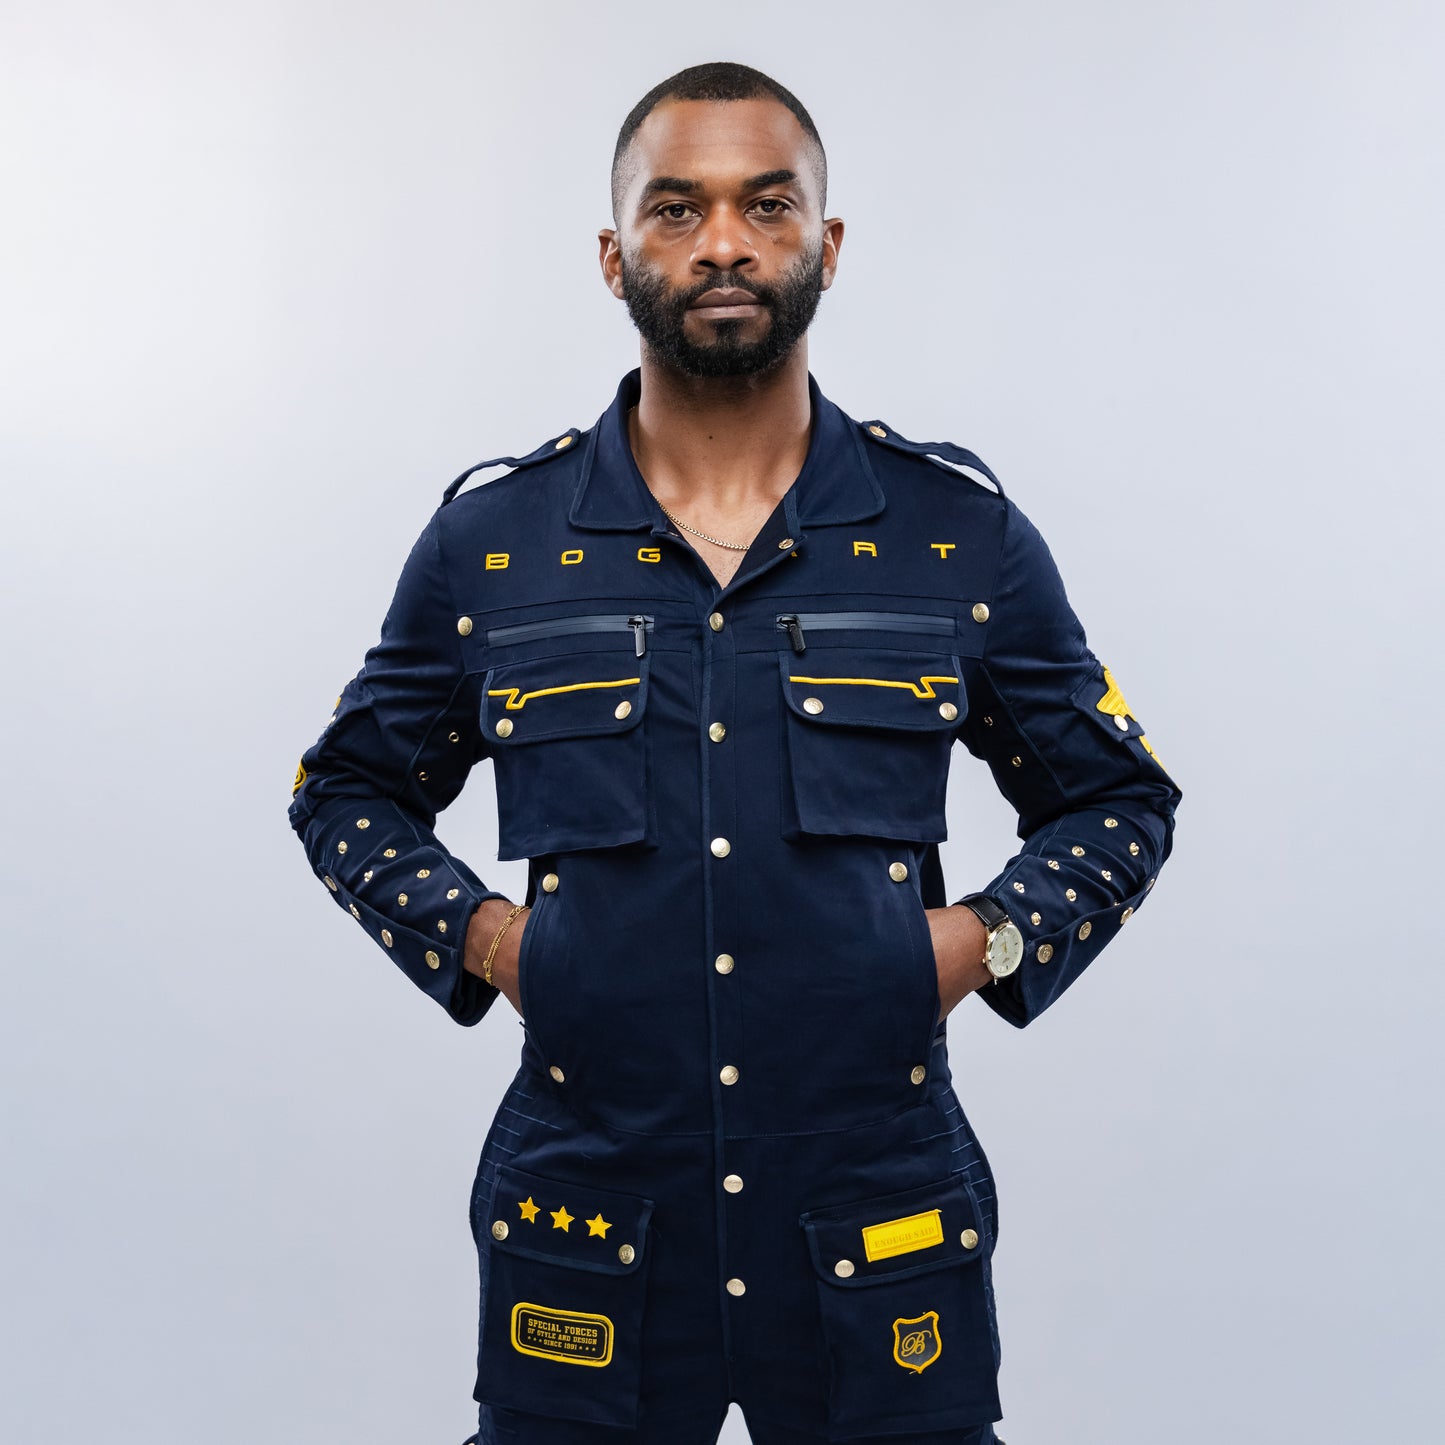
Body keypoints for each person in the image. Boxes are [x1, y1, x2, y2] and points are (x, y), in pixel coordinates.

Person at [287, 60, 1181, 1445]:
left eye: (767, 206)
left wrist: (975, 944)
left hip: (876, 1208)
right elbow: (343, 789)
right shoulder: (494, 548)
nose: (723, 243)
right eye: (676, 208)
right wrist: (495, 943)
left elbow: (1118, 799)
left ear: (828, 243)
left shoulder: (957, 539)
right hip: (590, 1208)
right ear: (613, 255)